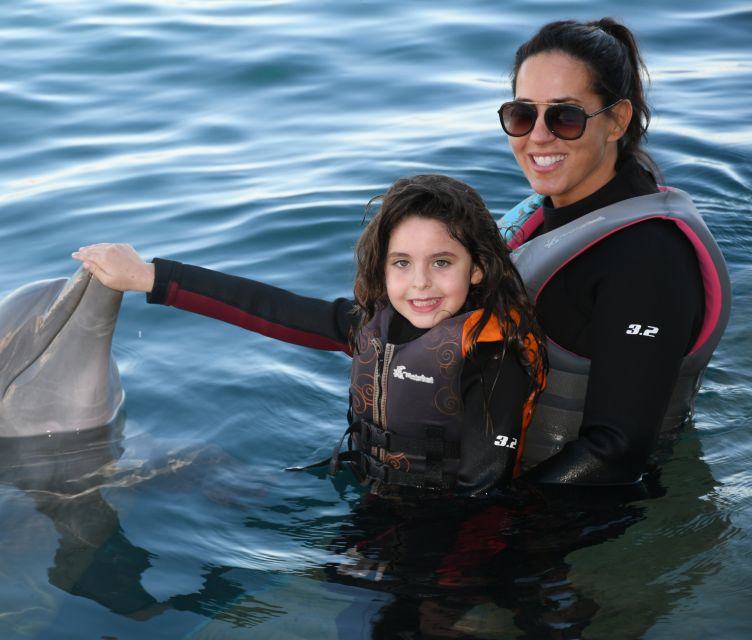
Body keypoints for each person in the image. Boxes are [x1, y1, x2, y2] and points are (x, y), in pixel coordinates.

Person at [74, 174, 547, 497]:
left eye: (441, 263)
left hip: (449, 527)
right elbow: (266, 308)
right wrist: (148, 277)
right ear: (382, 269)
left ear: (479, 269)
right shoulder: (370, 327)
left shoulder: (490, 357)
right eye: (402, 263)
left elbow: (483, 490)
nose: (420, 282)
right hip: (375, 493)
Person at [494, 18, 731, 484]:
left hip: (557, 524)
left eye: (565, 116)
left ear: (616, 121)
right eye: (523, 114)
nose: (538, 136)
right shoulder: (543, 216)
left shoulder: (648, 258)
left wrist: (492, 530)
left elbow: (614, 452)